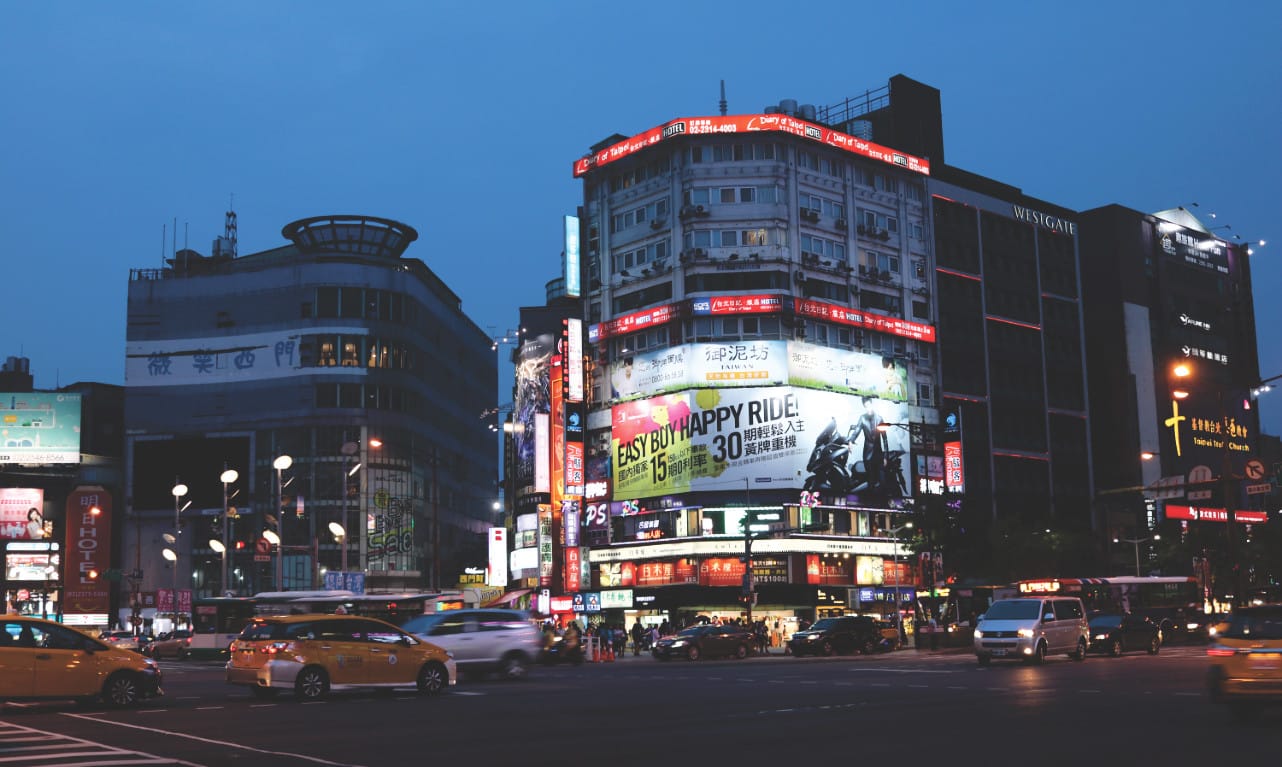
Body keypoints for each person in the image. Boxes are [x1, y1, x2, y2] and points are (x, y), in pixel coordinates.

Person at [847, 396, 887, 491]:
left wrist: (885, 456)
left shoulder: (880, 419)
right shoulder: (862, 418)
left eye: (869, 405)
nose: (868, 408)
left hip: (879, 454)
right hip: (867, 455)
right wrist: (850, 441)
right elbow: (857, 431)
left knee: (882, 481)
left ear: (872, 404)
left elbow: (885, 439)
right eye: (865, 406)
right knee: (871, 482)